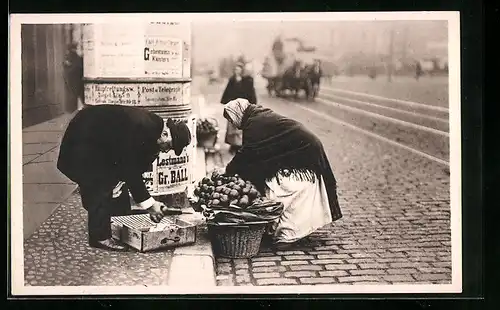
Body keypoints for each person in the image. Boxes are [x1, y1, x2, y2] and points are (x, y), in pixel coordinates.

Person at [57, 104, 192, 251]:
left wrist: (147, 204)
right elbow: (130, 169)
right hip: (84, 138)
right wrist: (150, 205)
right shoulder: (143, 127)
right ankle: (100, 236)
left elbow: (133, 165)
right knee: (99, 183)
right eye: (170, 146)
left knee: (115, 186)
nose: (167, 151)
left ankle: (117, 221)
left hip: (102, 143)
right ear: (165, 134)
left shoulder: (154, 131)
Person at [222, 99, 342, 249]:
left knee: (287, 187)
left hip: (305, 151)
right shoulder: (255, 116)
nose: (234, 124)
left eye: (232, 119)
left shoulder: (254, 123)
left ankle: (290, 233)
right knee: (277, 183)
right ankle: (279, 227)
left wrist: (228, 171)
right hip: (297, 149)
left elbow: (247, 153)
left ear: (238, 113)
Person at [220, 62, 257, 154]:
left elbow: (251, 93)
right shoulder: (232, 80)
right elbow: (227, 92)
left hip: (242, 106)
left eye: (239, 70)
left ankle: (240, 145)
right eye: (235, 70)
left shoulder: (247, 81)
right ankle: (233, 145)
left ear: (242, 71)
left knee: (241, 126)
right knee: (231, 126)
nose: (237, 71)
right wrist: (227, 103)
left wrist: (251, 104)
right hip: (233, 106)